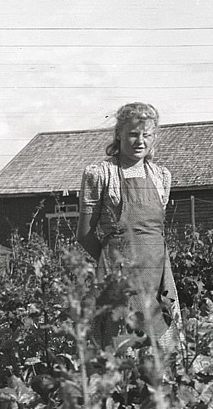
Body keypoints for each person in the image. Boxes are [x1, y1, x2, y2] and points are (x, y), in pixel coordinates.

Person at [77, 102, 182, 354]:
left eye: (146, 135)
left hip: (156, 274)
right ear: (119, 135)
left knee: (163, 351)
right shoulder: (101, 174)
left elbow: (153, 232)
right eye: (134, 134)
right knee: (121, 350)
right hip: (119, 276)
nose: (140, 141)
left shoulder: (160, 177)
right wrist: (112, 263)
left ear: (154, 137)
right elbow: (84, 235)